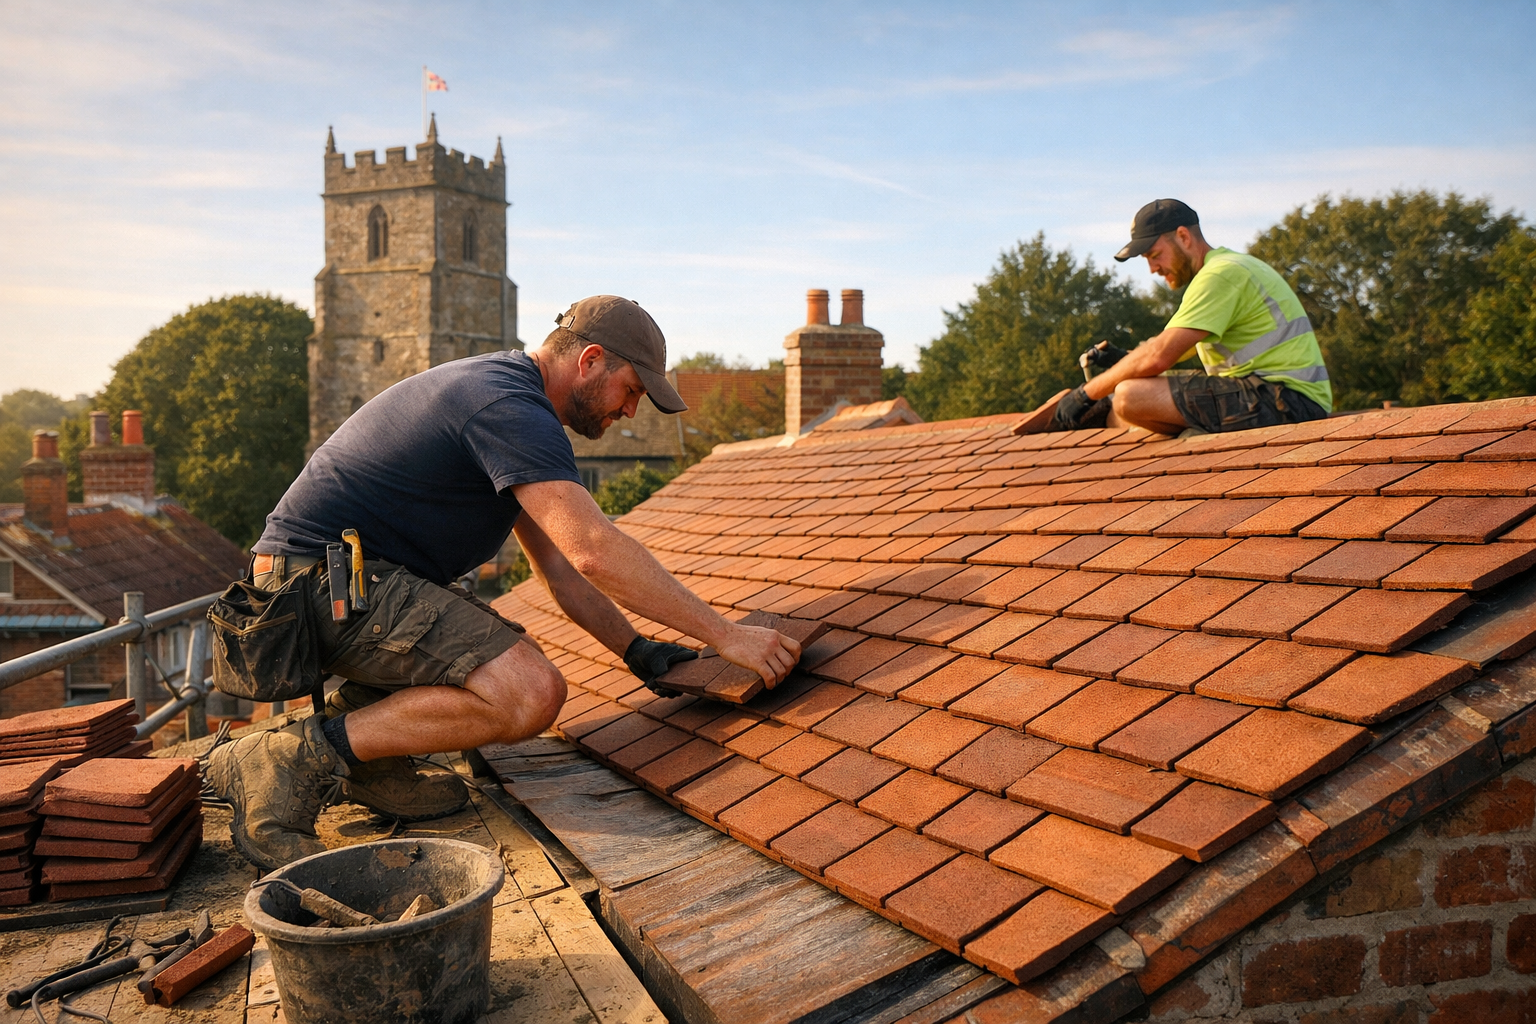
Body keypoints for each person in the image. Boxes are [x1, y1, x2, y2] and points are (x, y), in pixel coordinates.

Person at [206, 295, 801, 870]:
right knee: (527, 690)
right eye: (632, 391)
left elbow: (565, 569)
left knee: (502, 661)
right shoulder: (507, 407)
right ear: (590, 361)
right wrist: (727, 635)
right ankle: (287, 758)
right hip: (315, 587)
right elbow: (595, 552)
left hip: (345, 582)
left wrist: (636, 650)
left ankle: (369, 763)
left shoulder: (510, 408)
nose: (629, 412)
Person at [1051, 199, 1332, 435]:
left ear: (1184, 237)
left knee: (1129, 397)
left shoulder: (1219, 275)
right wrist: (1125, 360)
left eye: (1155, 255)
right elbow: (1171, 347)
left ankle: (1102, 426)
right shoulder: (1229, 266)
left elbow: (1159, 356)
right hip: (1284, 398)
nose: (1152, 269)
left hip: (1284, 402)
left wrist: (1085, 394)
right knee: (1129, 399)